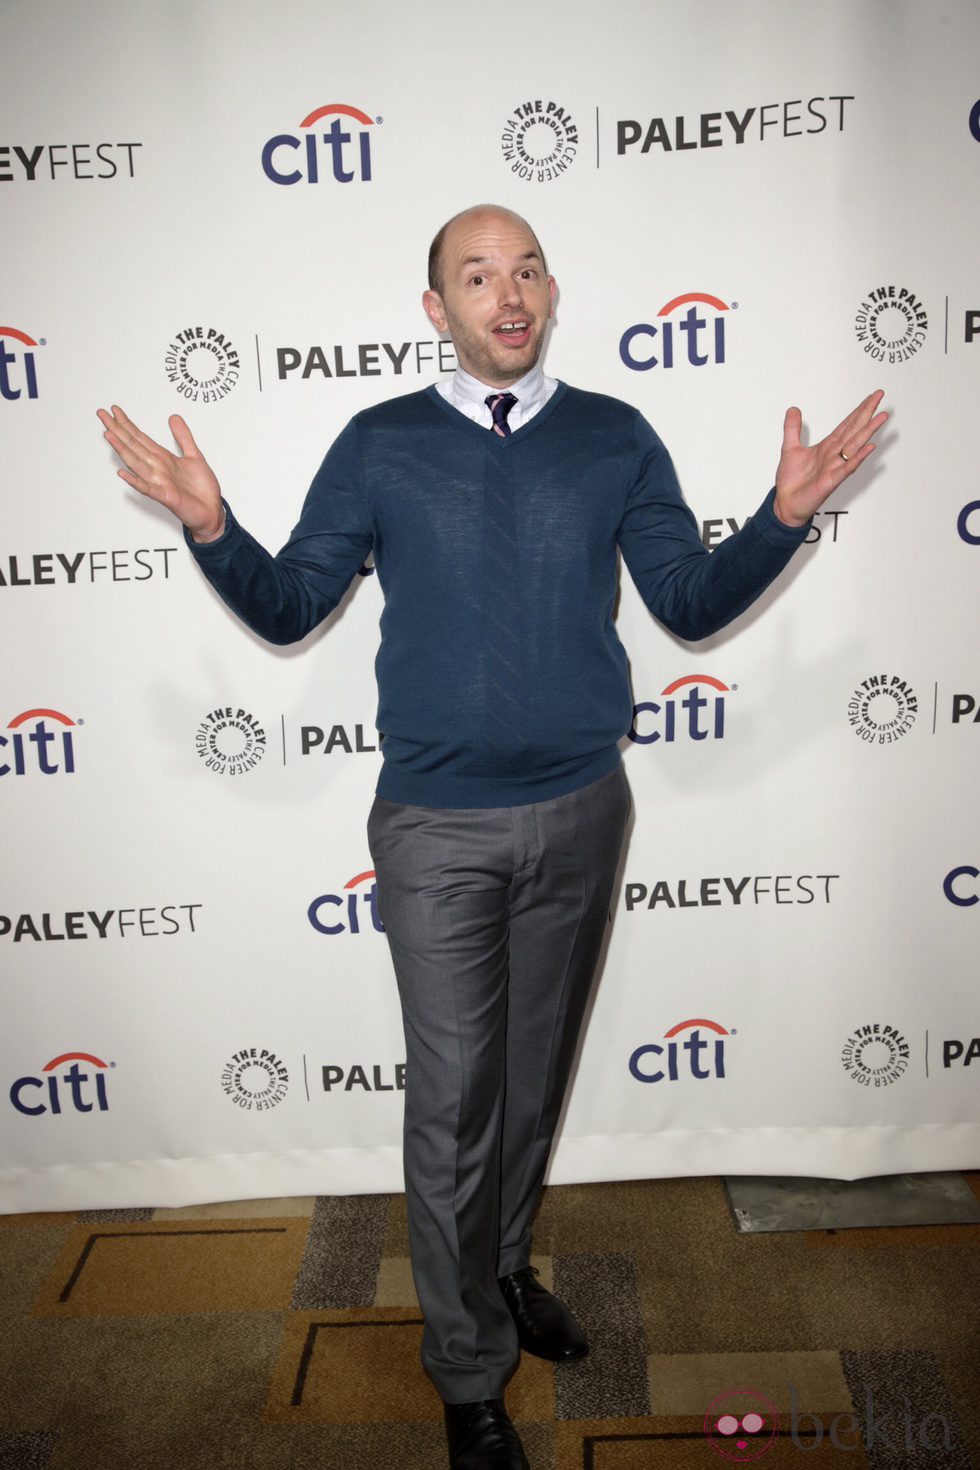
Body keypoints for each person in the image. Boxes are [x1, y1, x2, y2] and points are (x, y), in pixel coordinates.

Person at [98, 204, 887, 1470]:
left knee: (530, 1080)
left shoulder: (614, 436)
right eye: (476, 276)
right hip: (435, 829)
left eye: (523, 271)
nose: (505, 295)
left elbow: (686, 604)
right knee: (454, 1103)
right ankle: (467, 1374)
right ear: (436, 310)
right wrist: (210, 527)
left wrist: (781, 517)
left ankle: (505, 1262)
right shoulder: (378, 445)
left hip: (584, 808)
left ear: (550, 291)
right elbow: (293, 607)